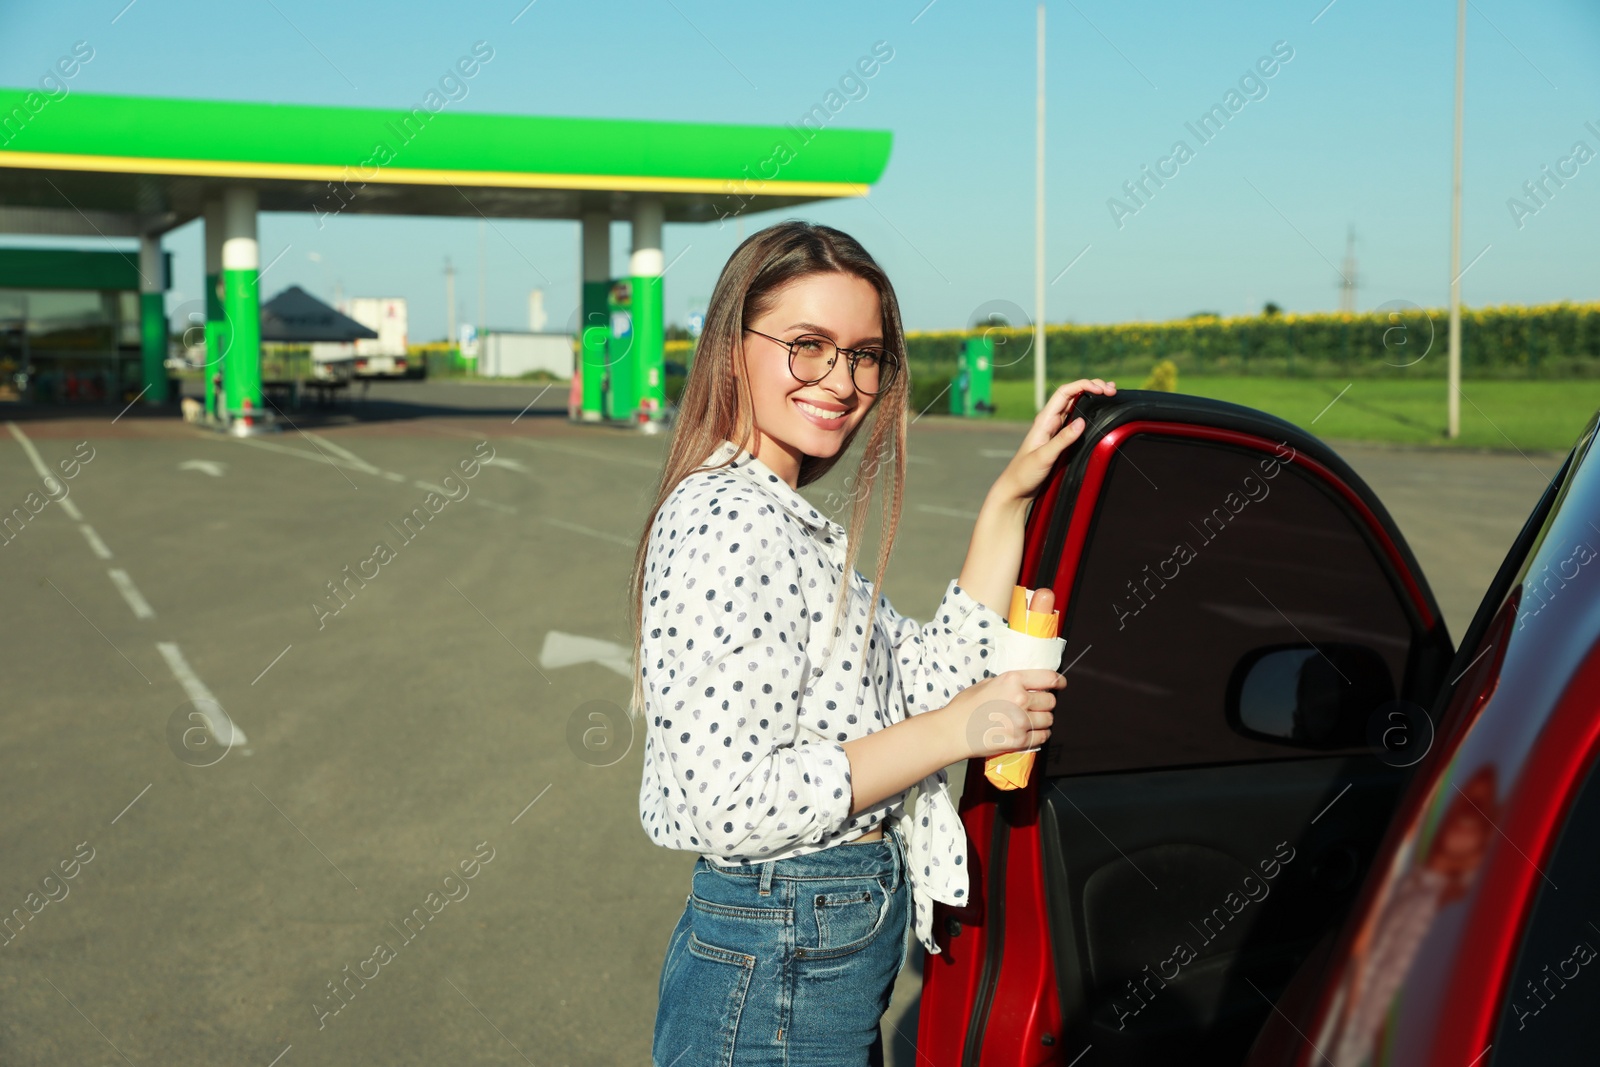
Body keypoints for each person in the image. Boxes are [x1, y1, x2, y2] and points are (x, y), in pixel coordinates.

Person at [632, 220, 1114, 1066]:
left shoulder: (781, 518)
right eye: (807, 345)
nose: (842, 381)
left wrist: (1008, 499)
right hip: (782, 953)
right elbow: (730, 800)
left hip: (808, 943)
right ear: (731, 346)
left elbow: (924, 678)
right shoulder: (726, 520)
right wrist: (958, 731)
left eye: (864, 356)